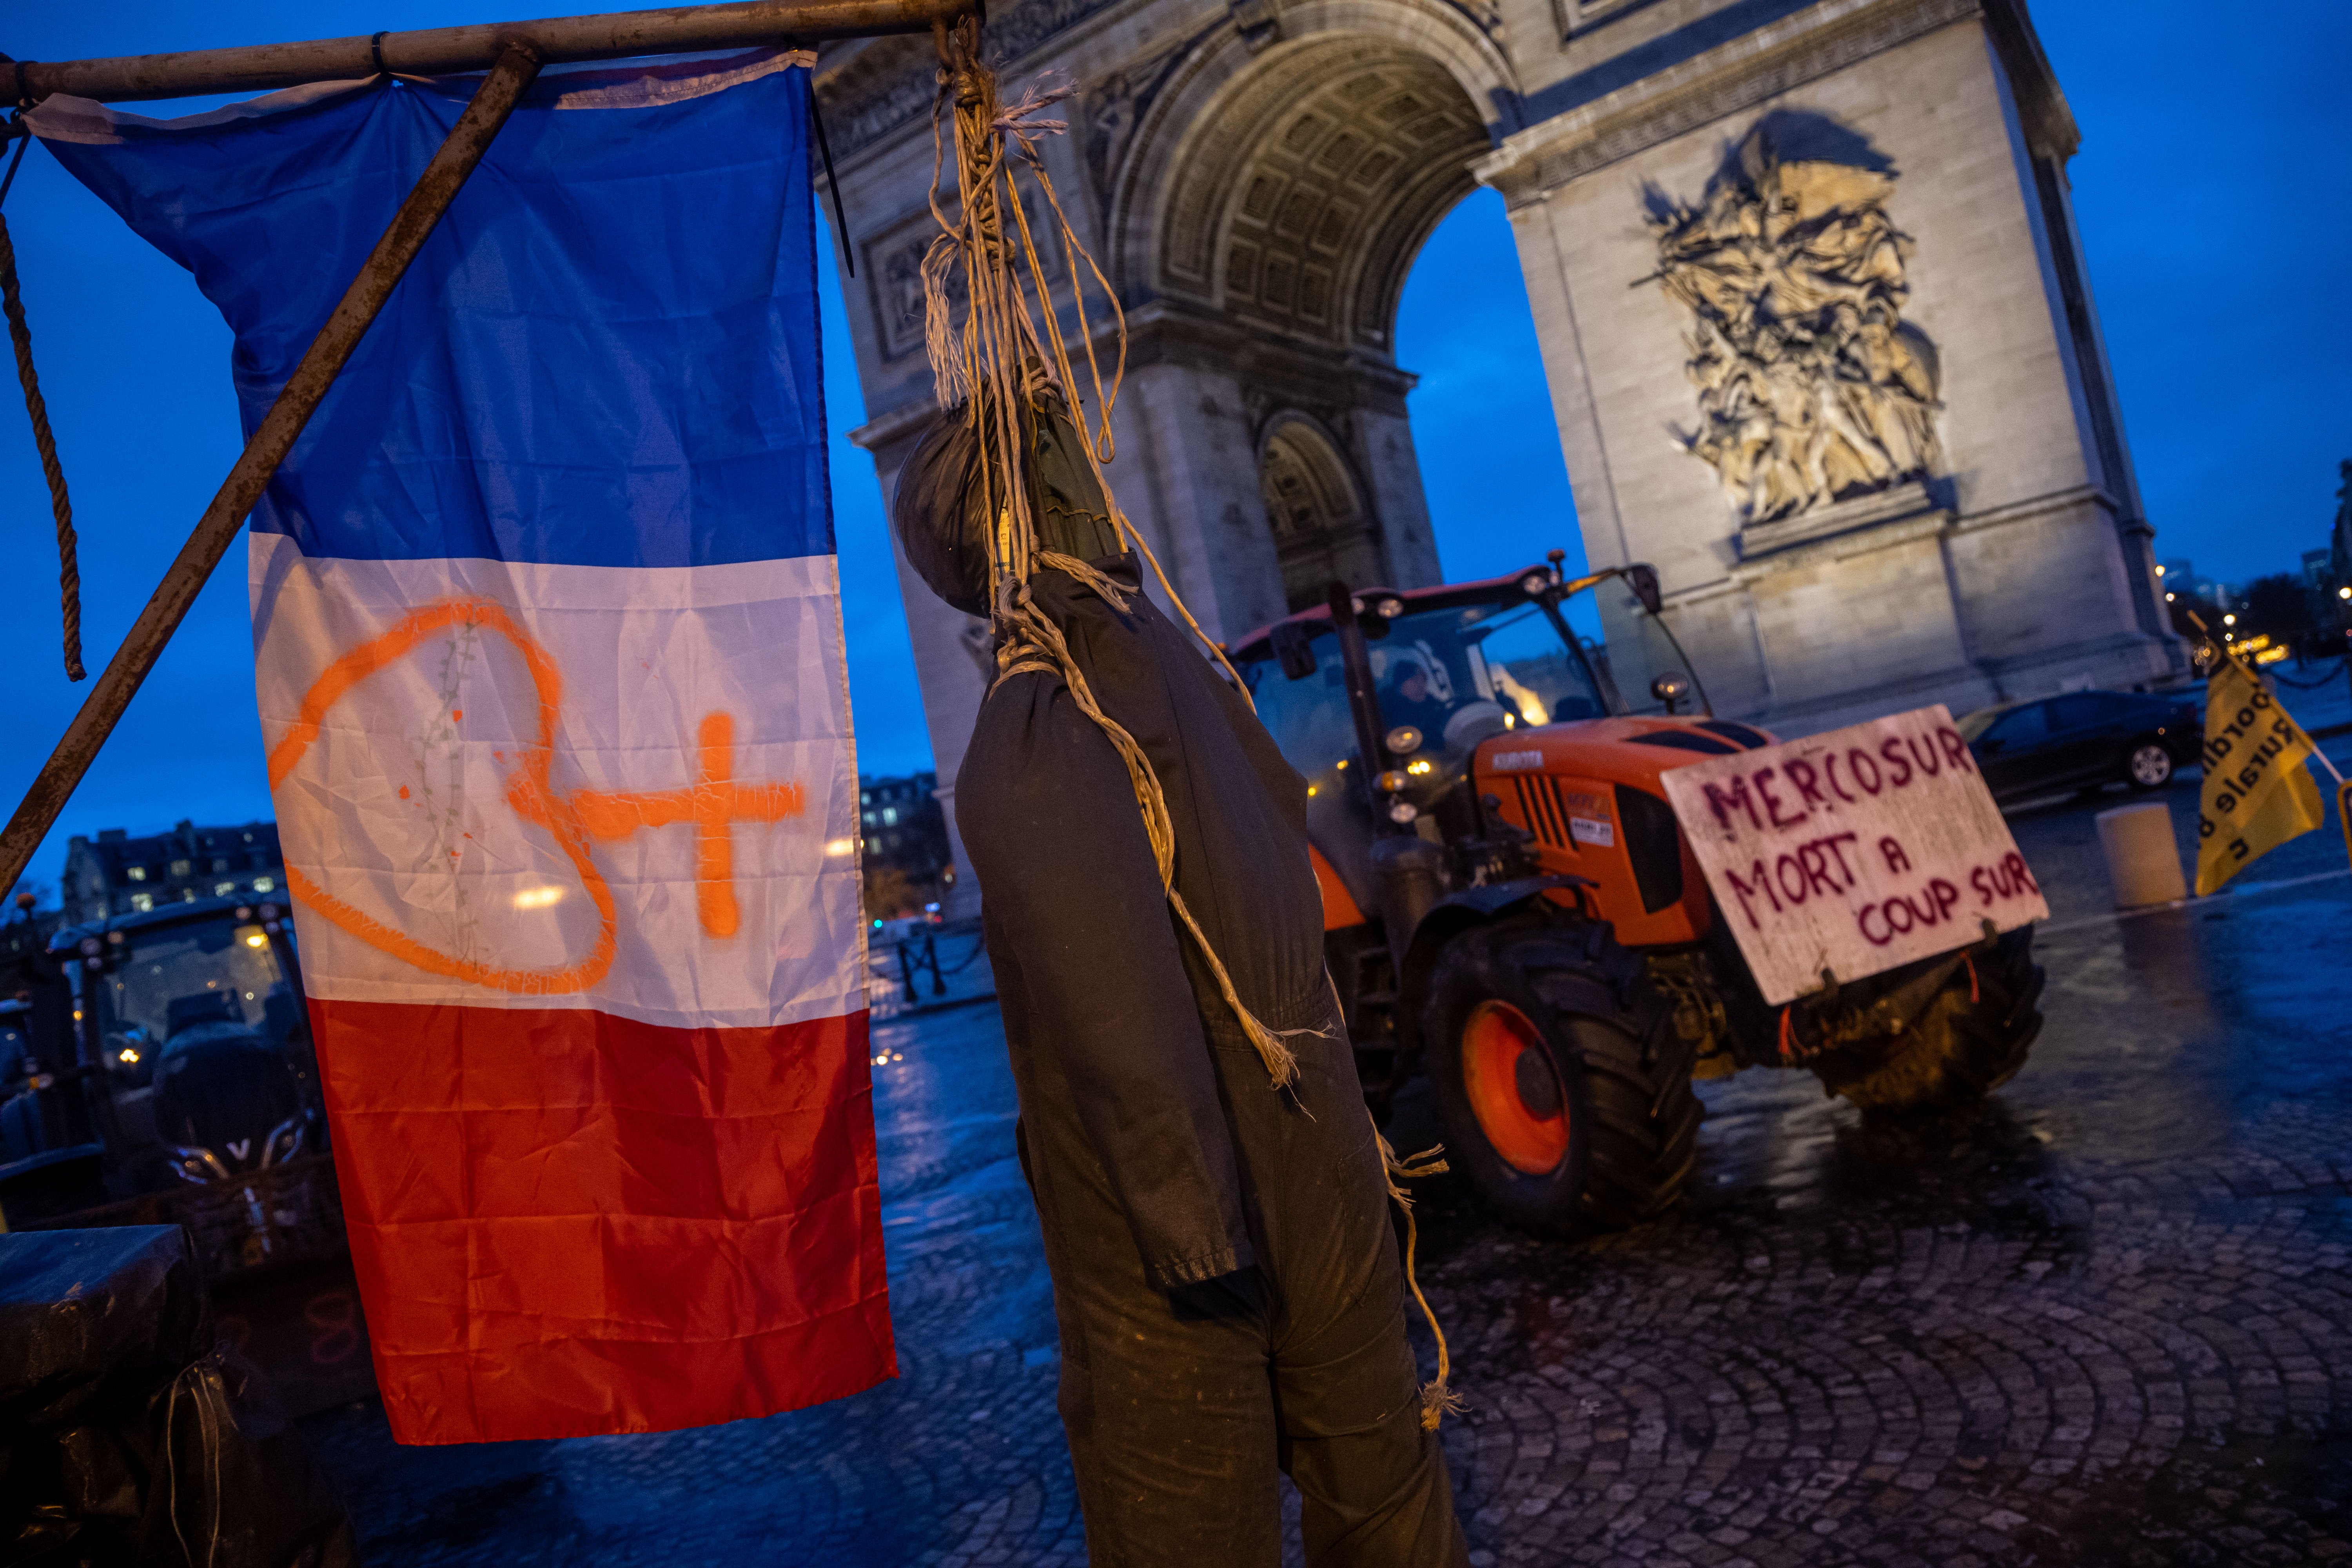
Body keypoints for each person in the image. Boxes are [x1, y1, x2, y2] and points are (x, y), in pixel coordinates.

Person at [893, 385, 1469, 1567]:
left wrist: (1190, 1229)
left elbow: (1116, 1014)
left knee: (1183, 1533)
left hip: (1181, 1238)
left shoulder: (1036, 715)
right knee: (1385, 1485)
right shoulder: (1195, 674)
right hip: (1323, 1159)